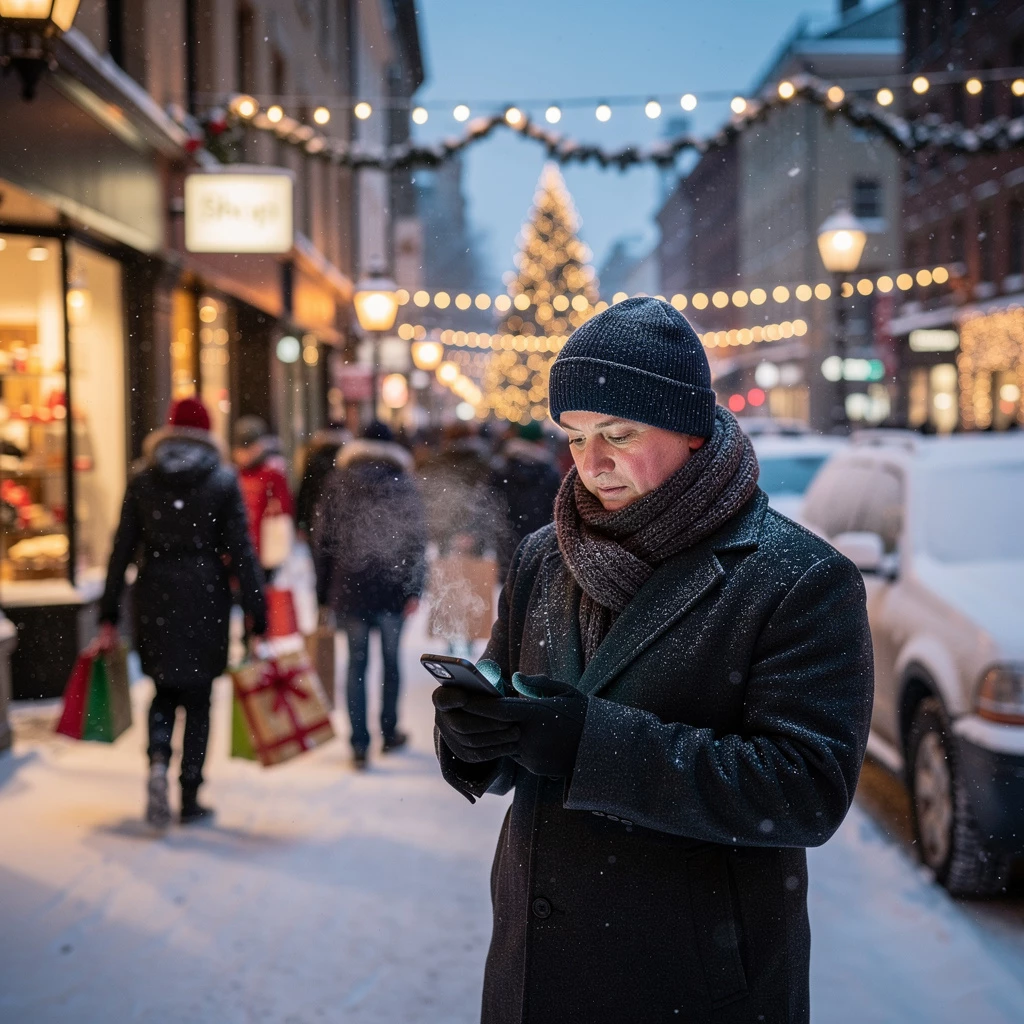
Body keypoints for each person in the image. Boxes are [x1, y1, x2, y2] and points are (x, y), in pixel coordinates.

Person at [431, 297, 874, 1024]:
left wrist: (590, 745)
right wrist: (475, 736)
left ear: (692, 430)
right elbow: (511, 700)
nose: (592, 463)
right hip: (536, 976)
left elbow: (806, 790)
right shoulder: (546, 556)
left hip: (693, 983)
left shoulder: (798, 577)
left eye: (619, 434)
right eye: (576, 437)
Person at [99, 397, 267, 827]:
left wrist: (108, 612)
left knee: (162, 690)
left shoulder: (143, 478)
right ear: (209, 432)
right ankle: (190, 794)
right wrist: (257, 612)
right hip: (205, 595)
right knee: (198, 697)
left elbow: (121, 548)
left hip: (154, 592)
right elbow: (243, 551)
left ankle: (158, 759)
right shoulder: (222, 480)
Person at [313, 421, 427, 770]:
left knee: (356, 665)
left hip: (349, 587)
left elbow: (323, 541)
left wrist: (323, 592)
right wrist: (414, 588)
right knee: (391, 662)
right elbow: (416, 540)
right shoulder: (403, 482)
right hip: (392, 587)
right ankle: (389, 731)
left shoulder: (337, 482)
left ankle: (359, 743)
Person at [490, 420, 562, 580]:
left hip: (508, 540)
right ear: (539, 441)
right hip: (541, 540)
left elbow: (491, 504)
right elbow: (556, 509)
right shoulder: (549, 470)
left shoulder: (502, 468)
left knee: (510, 586)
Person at [231, 415, 295, 572]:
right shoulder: (233, 474)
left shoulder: (272, 474)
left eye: (250, 448)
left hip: (267, 551)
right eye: (242, 449)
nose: (245, 455)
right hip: (239, 550)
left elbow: (285, 508)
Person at [295, 423, 350, 538]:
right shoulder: (346, 461)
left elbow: (305, 493)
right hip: (341, 519)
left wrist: (301, 523)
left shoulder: (314, 459)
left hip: (315, 518)